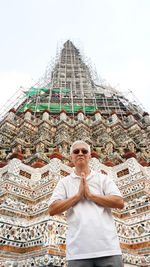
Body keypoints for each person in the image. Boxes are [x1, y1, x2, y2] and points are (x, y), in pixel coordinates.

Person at [48, 140, 124, 267]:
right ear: (71, 158)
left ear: (89, 157)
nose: (80, 154)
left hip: (108, 249)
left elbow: (119, 202)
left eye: (84, 151)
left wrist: (91, 195)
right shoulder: (64, 182)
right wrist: (78, 196)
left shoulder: (102, 179)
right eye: (76, 151)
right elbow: (52, 209)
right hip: (78, 253)